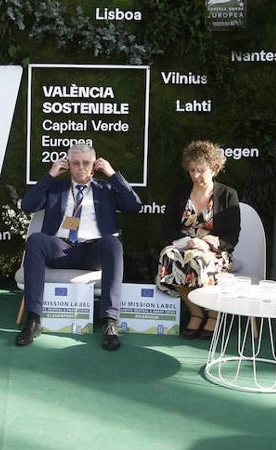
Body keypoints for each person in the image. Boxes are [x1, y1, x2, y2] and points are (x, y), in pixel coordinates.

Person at [16, 141, 142, 351]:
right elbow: (27, 206)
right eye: (76, 163)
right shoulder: (56, 188)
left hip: (93, 251)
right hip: (61, 248)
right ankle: (34, 319)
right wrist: (50, 175)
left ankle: (110, 323)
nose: (81, 167)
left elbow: (134, 205)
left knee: (113, 242)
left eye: (86, 163)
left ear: (95, 165)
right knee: (36, 239)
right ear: (68, 165)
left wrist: (112, 174)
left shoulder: (107, 188)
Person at [156, 140, 240, 339]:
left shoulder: (228, 195)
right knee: (168, 256)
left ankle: (213, 315)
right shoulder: (179, 193)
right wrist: (187, 242)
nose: (195, 175)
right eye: (192, 170)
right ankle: (196, 312)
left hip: (215, 252)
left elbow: (232, 236)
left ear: (214, 169)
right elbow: (167, 228)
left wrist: (207, 243)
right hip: (183, 247)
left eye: (201, 170)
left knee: (199, 260)